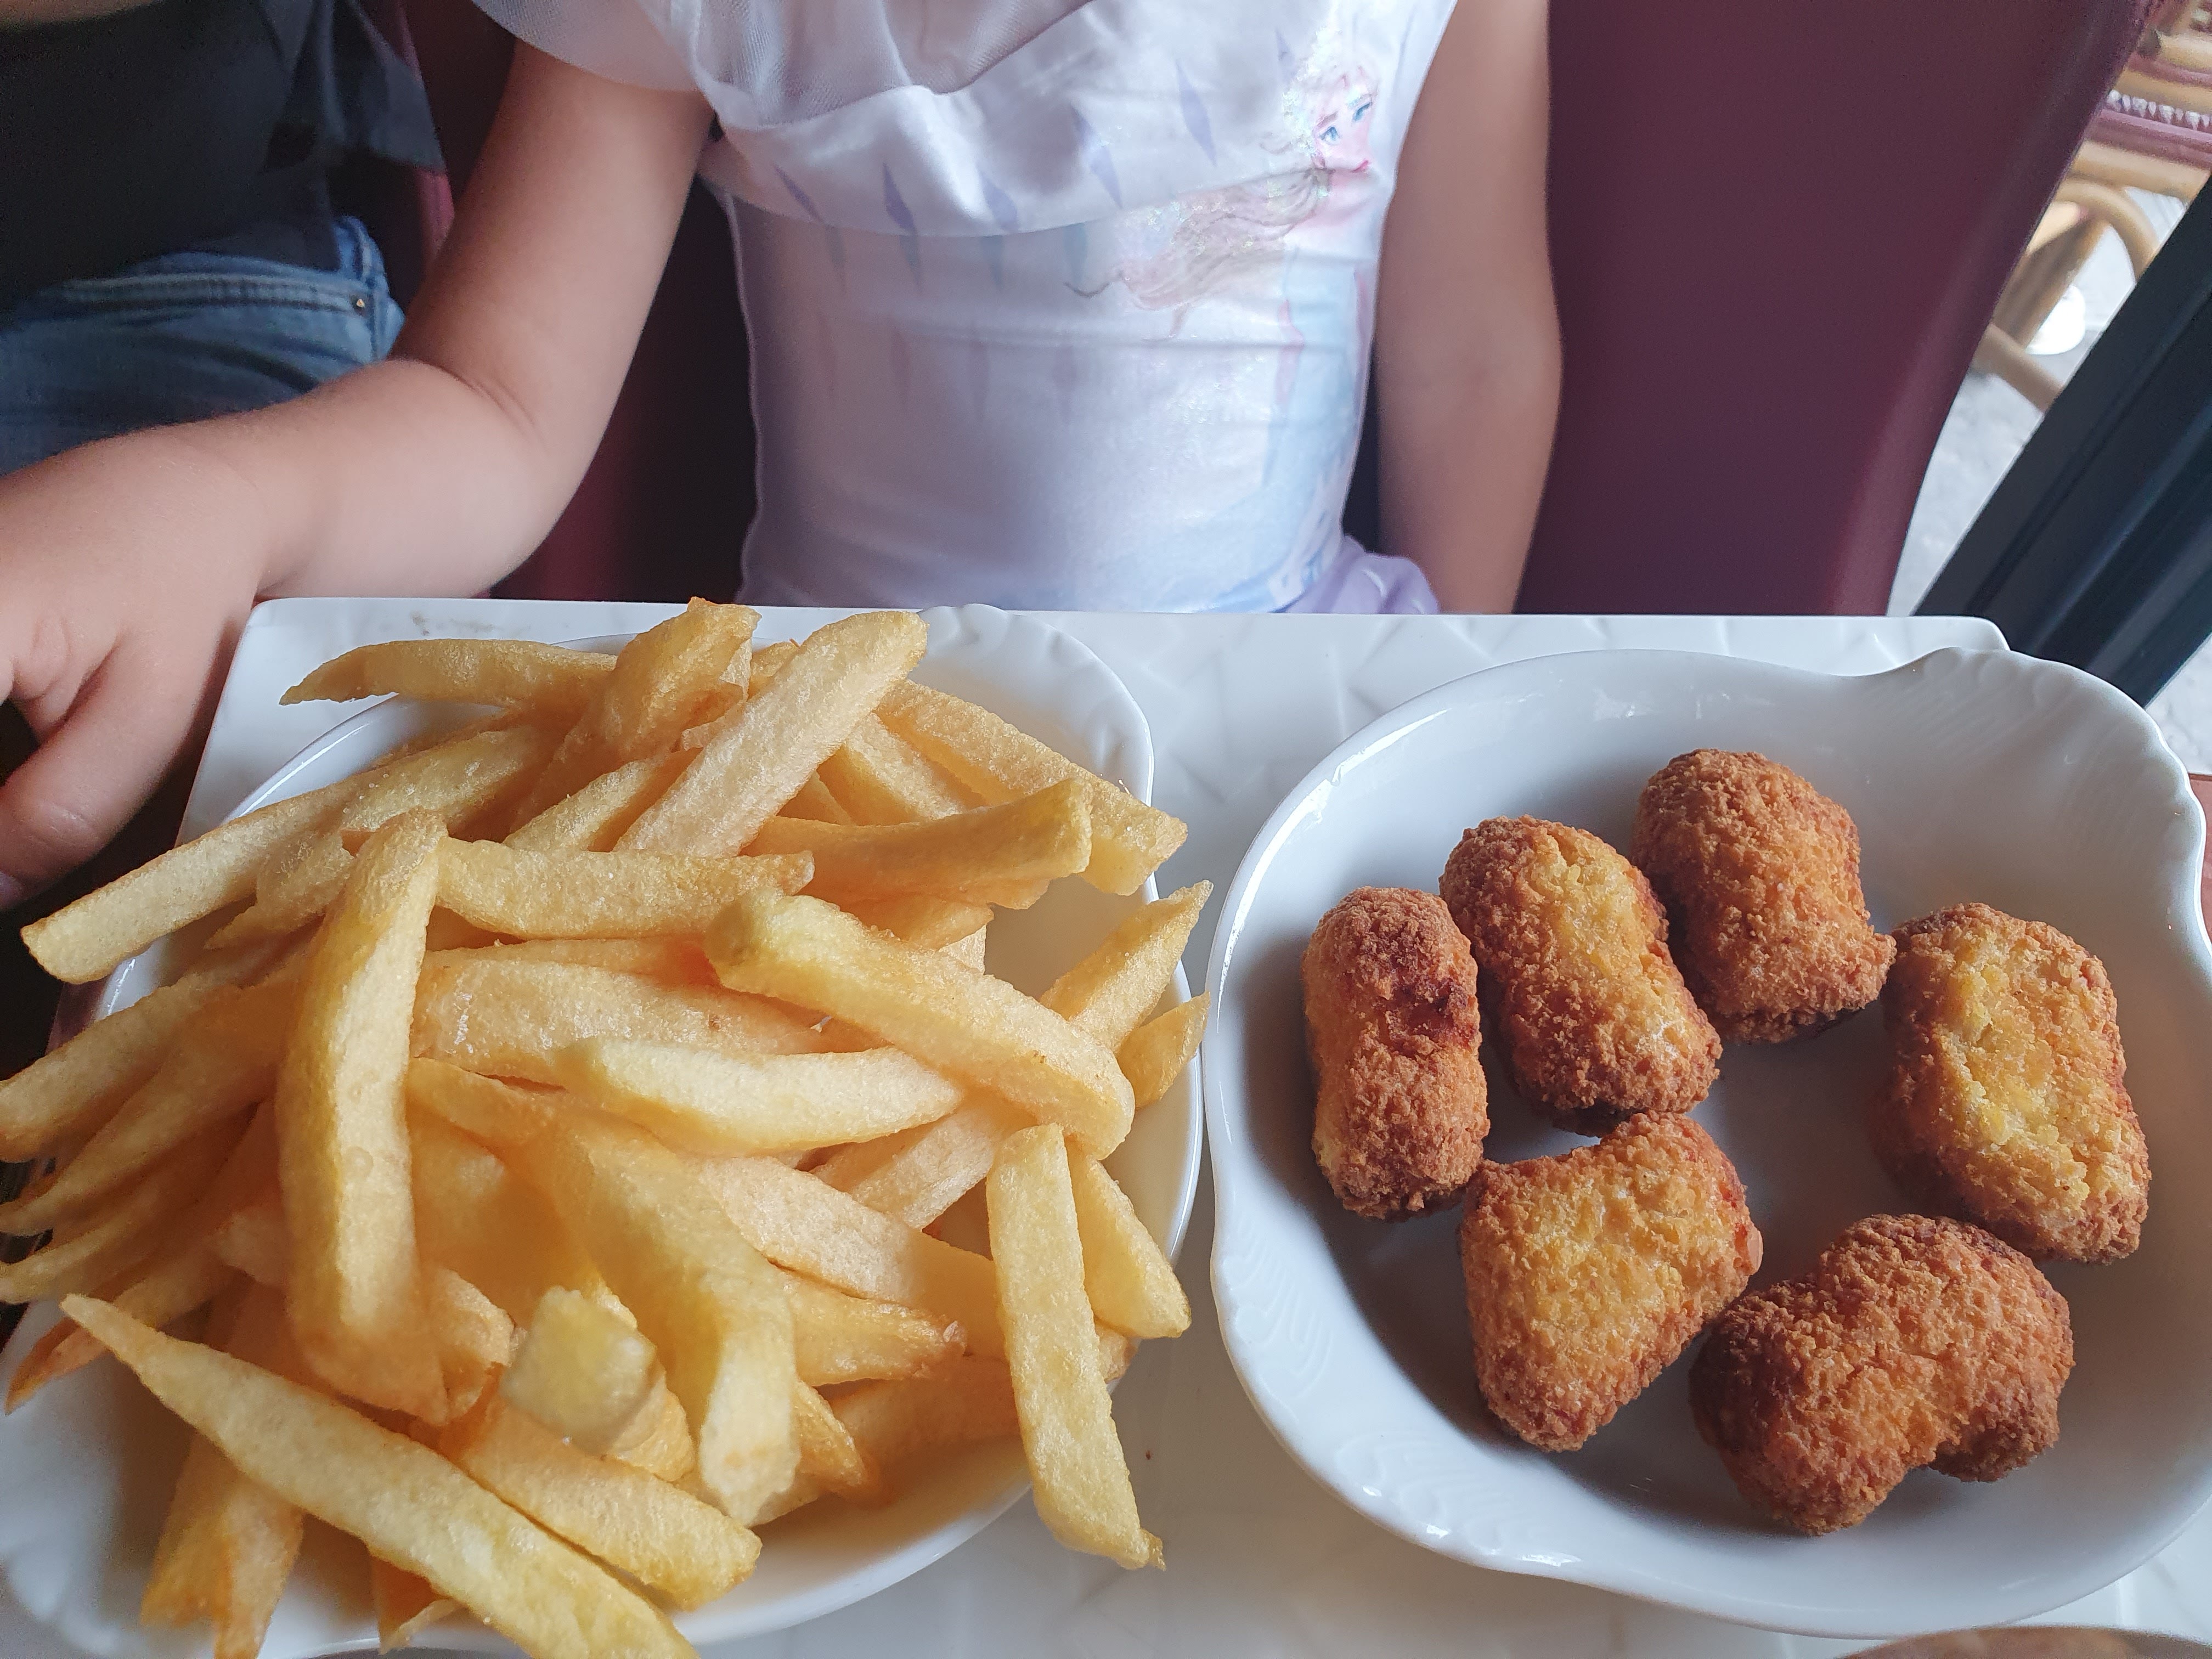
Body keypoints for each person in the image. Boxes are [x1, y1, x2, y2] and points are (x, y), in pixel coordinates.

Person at [0, 0, 1558, 908]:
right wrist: (210, 505)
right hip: (812, 770)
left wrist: (1444, 708)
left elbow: (1475, 356)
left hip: (1301, 688)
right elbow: (493, 403)